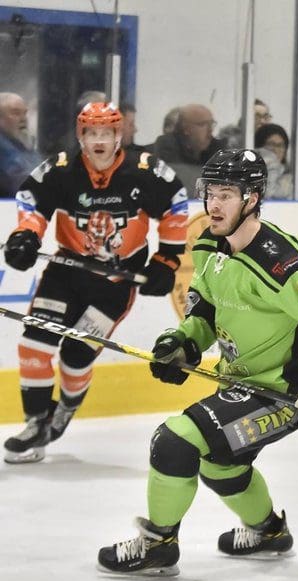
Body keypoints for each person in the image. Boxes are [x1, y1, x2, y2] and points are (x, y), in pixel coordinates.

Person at [97, 149, 298, 576]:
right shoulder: (209, 245)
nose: (214, 205)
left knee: (174, 442)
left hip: (283, 393)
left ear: (253, 198)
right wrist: (182, 342)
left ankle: (157, 545)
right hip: (240, 385)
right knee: (220, 465)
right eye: (210, 193)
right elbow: (205, 309)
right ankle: (268, 532)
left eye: (227, 194)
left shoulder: (280, 262)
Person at [2, 102, 188, 463]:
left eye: (107, 133)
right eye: (92, 133)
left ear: (119, 135)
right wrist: (26, 234)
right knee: (34, 345)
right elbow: (31, 202)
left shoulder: (145, 170)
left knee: (76, 354)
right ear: (81, 135)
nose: (99, 141)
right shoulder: (61, 170)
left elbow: (176, 206)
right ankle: (36, 424)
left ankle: (64, 410)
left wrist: (166, 259)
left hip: (115, 283)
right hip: (65, 273)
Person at [0, 92, 42, 197]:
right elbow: (20, 182)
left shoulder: (24, 143)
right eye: (15, 113)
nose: (23, 119)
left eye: (25, 113)